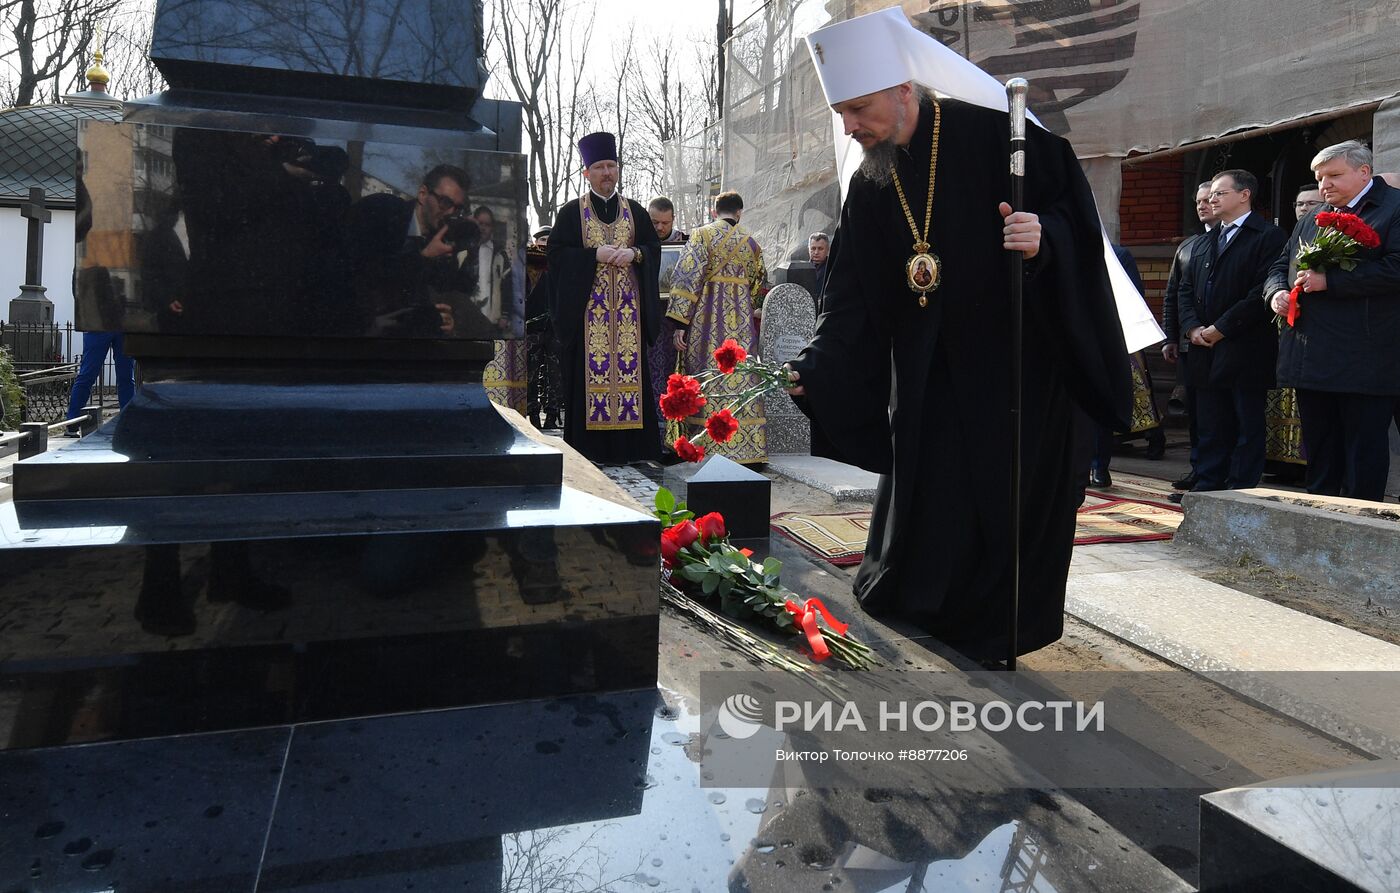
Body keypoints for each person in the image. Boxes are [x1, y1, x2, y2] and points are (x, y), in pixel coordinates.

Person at [783, 8, 1131, 662]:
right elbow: (850, 296)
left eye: (859, 111)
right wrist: (819, 362)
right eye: (843, 116)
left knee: (998, 501)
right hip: (928, 371)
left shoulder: (1007, 140)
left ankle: (994, 627)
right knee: (934, 494)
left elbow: (1075, 226)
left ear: (903, 91)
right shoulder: (870, 181)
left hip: (1014, 366)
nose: (851, 128)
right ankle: (924, 603)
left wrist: (1042, 239)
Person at [1267, 141, 1400, 502]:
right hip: (1311, 354)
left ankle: (1361, 520)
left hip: (1366, 355)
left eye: (1334, 175)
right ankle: (1319, 511)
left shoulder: (1394, 209)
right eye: (1319, 177)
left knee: (1362, 450)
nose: (1324, 185)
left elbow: (1396, 269)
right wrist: (1276, 292)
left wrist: (1332, 282)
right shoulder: (1313, 217)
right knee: (1321, 448)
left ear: (1364, 172)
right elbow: (1281, 264)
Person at [1171, 169, 1287, 502]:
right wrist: (1191, 327)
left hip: (1244, 347)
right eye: (1209, 195)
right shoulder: (1204, 240)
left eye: (1219, 193)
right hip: (1204, 348)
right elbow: (1185, 288)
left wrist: (1220, 328)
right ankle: (1207, 485)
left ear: (1244, 194)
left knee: (1245, 424)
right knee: (1209, 424)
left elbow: (1258, 294)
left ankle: (1239, 491)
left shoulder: (1268, 236)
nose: (1210, 200)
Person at [547, 132, 663, 463]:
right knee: (589, 380)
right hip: (589, 320)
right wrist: (592, 254)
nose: (607, 173)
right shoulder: (572, 213)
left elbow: (654, 250)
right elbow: (555, 255)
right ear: (586, 173)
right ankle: (589, 451)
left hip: (629, 320)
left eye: (612, 165)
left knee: (632, 377)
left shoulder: (636, 212)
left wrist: (636, 254)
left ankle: (633, 449)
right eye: (599, 167)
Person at [667, 191, 769, 464]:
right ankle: (747, 447)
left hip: (706, 319)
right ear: (739, 213)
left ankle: (707, 444)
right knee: (740, 375)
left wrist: (679, 322)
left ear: (715, 211)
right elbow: (759, 285)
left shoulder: (701, 235)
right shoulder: (752, 244)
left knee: (708, 373)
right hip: (742, 324)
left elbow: (686, 278)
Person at [346, 163, 475, 337]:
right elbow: (357, 273)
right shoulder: (382, 213)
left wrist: (447, 321)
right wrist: (423, 257)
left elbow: (440, 296)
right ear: (422, 194)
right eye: (445, 202)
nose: (450, 212)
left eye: (458, 208)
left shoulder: (443, 244)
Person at [1089, 246, 1163, 488]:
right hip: (1073, 338)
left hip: (1110, 341)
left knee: (1101, 404)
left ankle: (1099, 466)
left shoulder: (1119, 255)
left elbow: (1134, 300)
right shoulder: (1061, 247)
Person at [1162, 182, 1217, 490]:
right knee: (1195, 413)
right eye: (1198, 201)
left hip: (1223, 341)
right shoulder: (1187, 246)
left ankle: (1216, 470)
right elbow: (1173, 294)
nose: (1203, 205)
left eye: (1209, 199)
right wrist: (1171, 336)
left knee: (1215, 413)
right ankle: (1198, 467)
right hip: (1188, 343)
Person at [525, 226, 562, 429]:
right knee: (530, 372)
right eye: (542, 240)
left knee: (555, 373)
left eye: (549, 240)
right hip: (532, 327)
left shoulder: (559, 263)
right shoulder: (529, 264)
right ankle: (532, 414)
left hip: (555, 328)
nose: (545, 244)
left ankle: (552, 414)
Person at [808, 232, 830, 311]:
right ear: (809, 250)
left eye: (820, 249)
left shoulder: (832, 269)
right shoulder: (802, 269)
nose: (816, 252)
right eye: (813, 248)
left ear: (828, 250)